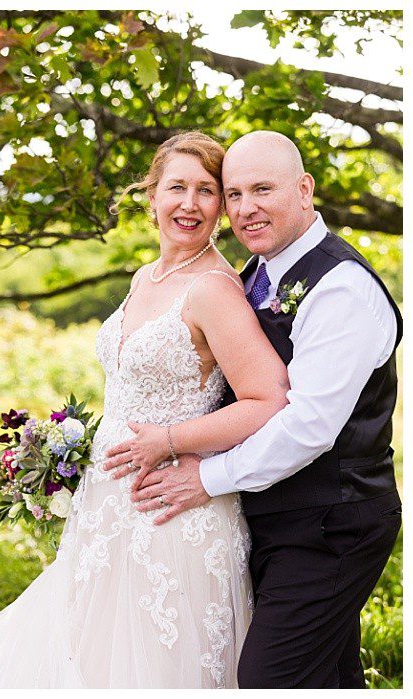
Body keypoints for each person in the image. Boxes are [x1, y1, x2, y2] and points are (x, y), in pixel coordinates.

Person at [0, 131, 289, 687]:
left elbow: (269, 399)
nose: (189, 203)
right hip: (106, 509)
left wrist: (170, 440)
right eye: (176, 187)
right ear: (151, 195)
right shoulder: (145, 277)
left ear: (222, 209)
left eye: (207, 191)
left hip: (172, 514)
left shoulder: (214, 289)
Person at [123, 130, 401, 688]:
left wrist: (209, 477)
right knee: (328, 680)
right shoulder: (250, 277)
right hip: (267, 517)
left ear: (304, 190)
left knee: (268, 680)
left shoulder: (341, 287)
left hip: (332, 524)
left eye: (263, 190)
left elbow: (309, 425)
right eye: (234, 194)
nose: (246, 209)